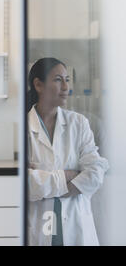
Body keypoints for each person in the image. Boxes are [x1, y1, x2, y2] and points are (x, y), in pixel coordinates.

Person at [27, 57, 109, 246]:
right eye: (58, 80)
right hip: (39, 228)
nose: (66, 87)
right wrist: (68, 176)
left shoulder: (78, 123)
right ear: (38, 85)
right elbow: (25, 184)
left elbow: (95, 174)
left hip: (76, 225)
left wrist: (48, 183)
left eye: (67, 80)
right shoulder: (24, 127)